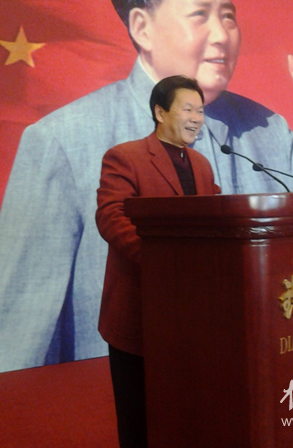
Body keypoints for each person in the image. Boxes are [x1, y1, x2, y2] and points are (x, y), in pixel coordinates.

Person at [0, 0, 293, 372]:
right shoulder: (62, 141)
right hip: (130, 392)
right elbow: (21, 330)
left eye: (228, 16)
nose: (222, 35)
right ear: (142, 27)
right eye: (200, 15)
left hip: (262, 380)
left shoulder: (268, 129)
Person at [97, 75, 219, 447]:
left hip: (191, 315)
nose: (196, 118)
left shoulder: (201, 164)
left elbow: (217, 220)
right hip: (140, 308)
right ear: (160, 112)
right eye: (188, 109)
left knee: (185, 410)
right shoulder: (126, 156)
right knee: (138, 416)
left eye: (200, 111)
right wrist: (165, 266)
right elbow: (111, 217)